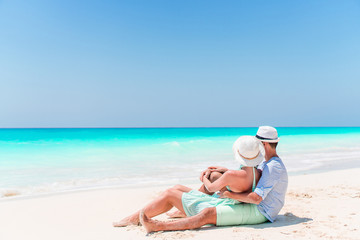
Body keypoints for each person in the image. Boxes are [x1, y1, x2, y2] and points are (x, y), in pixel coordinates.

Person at [116, 126, 288, 233]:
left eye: (258, 143)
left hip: (262, 211)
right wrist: (225, 171)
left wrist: (228, 194)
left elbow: (257, 198)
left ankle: (157, 225)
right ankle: (139, 216)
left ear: (264, 145)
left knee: (207, 214)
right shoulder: (265, 163)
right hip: (253, 204)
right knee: (184, 186)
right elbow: (248, 176)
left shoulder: (273, 167)